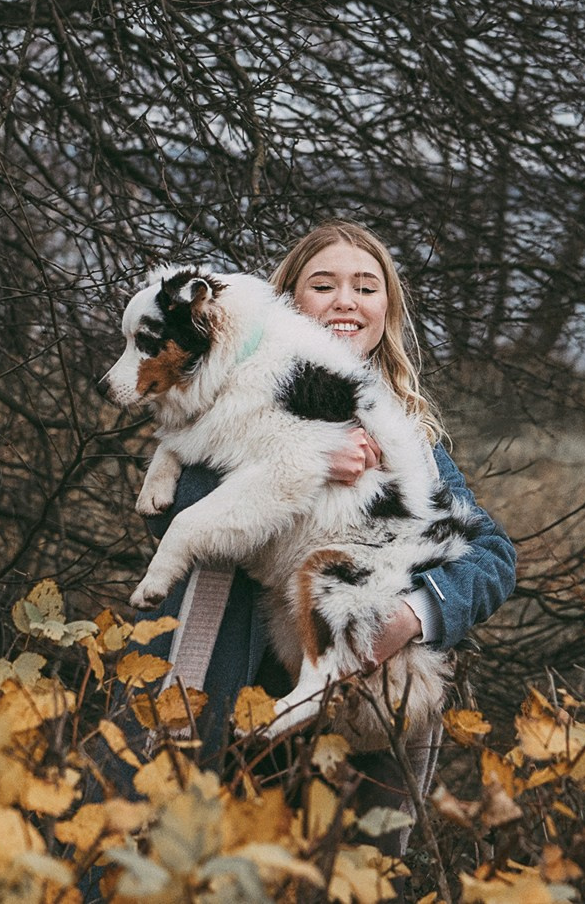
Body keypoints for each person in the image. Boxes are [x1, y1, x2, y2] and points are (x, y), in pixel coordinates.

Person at [140, 221, 517, 851]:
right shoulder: (216, 398)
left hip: (350, 717)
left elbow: (492, 555)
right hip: (224, 689)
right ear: (288, 301)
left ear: (385, 311)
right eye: (325, 284)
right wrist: (308, 460)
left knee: (340, 882)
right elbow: (164, 516)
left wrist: (413, 614)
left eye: (366, 287)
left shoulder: (407, 436)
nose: (347, 300)